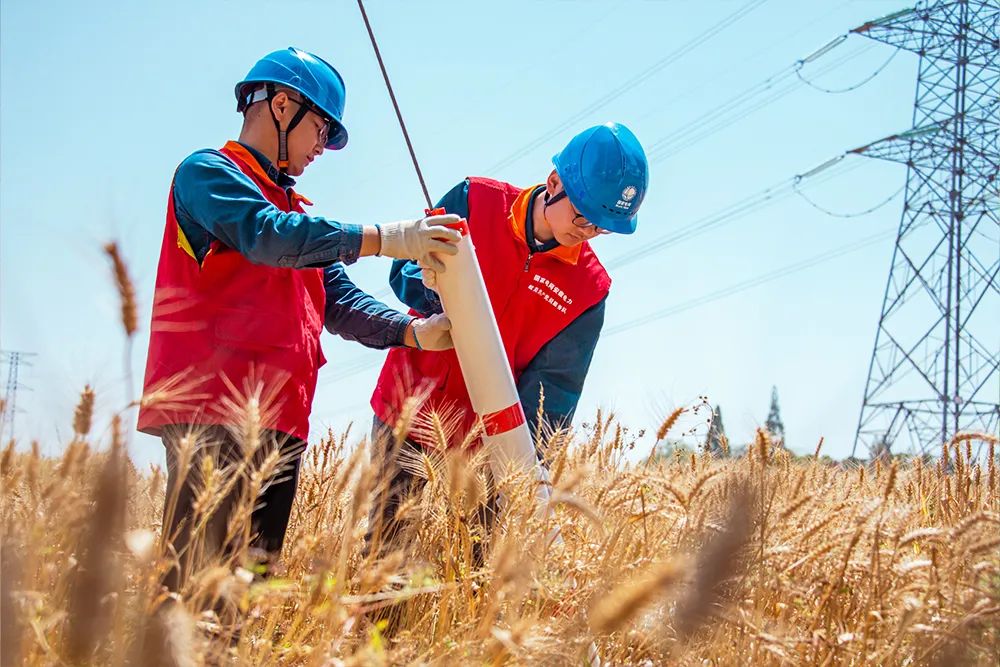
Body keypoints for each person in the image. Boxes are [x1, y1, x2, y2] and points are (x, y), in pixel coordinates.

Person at [137, 47, 460, 590]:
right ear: (281, 104)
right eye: (320, 129)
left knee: (245, 596)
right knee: (192, 596)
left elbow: (340, 299)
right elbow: (265, 236)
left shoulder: (299, 216)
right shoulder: (206, 174)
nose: (321, 147)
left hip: (281, 427)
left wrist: (414, 333)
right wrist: (386, 238)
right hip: (214, 418)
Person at [367, 122, 649, 553]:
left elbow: (553, 393)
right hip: (407, 409)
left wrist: (520, 480)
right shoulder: (475, 200)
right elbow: (403, 268)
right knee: (385, 556)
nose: (588, 231)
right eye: (583, 215)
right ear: (554, 182)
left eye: (601, 226)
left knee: (473, 578)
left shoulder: (589, 290)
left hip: (487, 450)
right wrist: (431, 288)